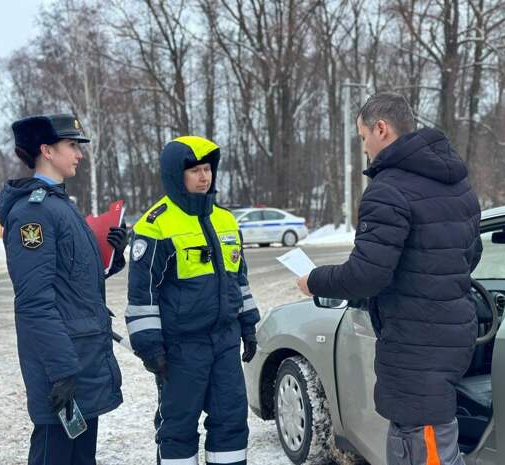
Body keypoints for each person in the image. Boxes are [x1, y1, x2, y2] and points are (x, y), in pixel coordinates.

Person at [297, 93, 482, 465]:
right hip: (450, 332)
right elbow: (470, 253)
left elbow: (366, 274)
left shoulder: (388, 189)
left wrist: (313, 281)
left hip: (418, 342)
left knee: (425, 449)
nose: (364, 148)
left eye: (363, 137)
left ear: (381, 129)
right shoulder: (455, 183)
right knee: (421, 442)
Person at [0, 114, 127, 465]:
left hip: (81, 359)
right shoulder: (33, 214)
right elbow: (34, 302)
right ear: (46, 151)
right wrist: (62, 372)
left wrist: (114, 254)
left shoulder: (60, 206)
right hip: (63, 368)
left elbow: (76, 280)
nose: (79, 154)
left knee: (81, 459)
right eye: (72, 145)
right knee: (55, 455)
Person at [126, 135, 260, 465]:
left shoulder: (226, 220)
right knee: (178, 430)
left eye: (207, 169)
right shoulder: (155, 225)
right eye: (195, 171)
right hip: (181, 348)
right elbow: (143, 295)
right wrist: (150, 347)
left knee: (231, 425)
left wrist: (249, 326)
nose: (204, 177)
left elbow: (238, 278)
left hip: (225, 343)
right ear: (176, 174)